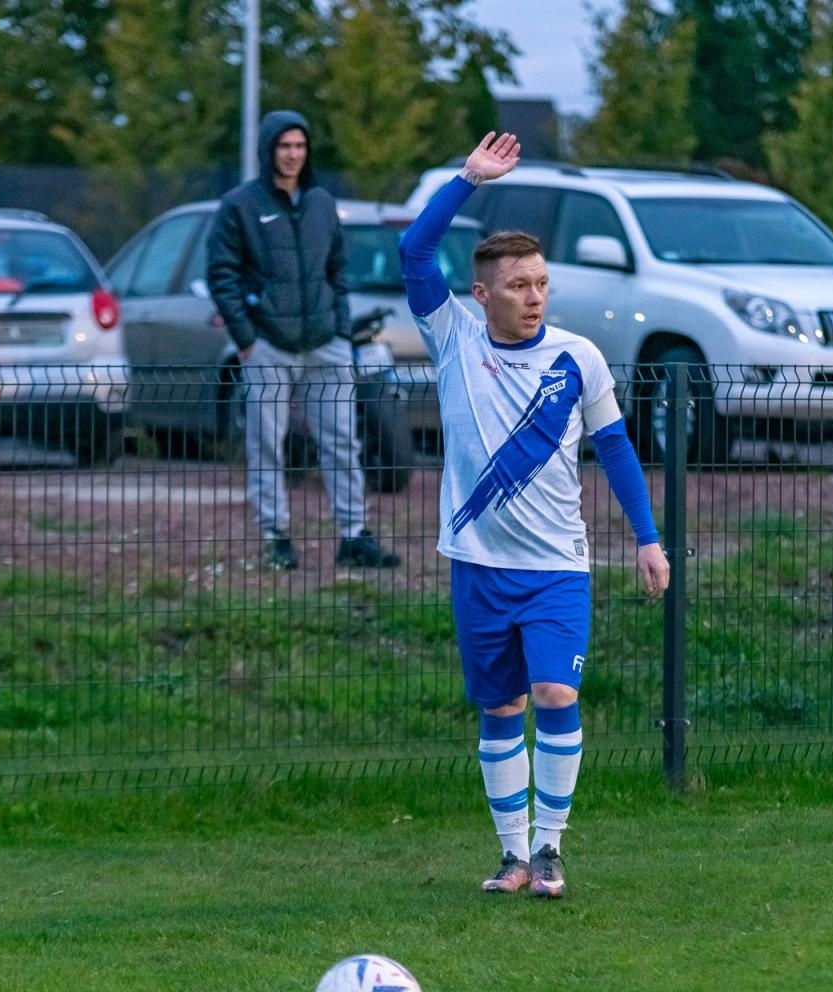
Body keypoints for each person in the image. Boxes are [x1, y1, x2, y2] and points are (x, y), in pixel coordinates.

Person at [398, 133, 670, 898]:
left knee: (555, 695)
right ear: (482, 295)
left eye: (542, 282)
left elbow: (615, 449)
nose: (534, 295)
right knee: (500, 706)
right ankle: (512, 855)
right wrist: (467, 179)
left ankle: (550, 847)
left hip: (557, 568)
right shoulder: (452, 337)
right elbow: (414, 251)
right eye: (518, 284)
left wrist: (647, 538)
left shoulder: (578, 358)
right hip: (479, 564)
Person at [206, 109, 400, 571]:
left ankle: (354, 536)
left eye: (300, 146)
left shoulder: (321, 203)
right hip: (269, 344)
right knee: (266, 444)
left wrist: (340, 326)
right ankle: (275, 537)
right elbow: (221, 274)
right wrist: (247, 339)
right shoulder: (240, 206)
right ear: (268, 149)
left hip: (325, 342)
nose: (293, 154)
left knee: (342, 441)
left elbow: (338, 270)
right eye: (284, 146)